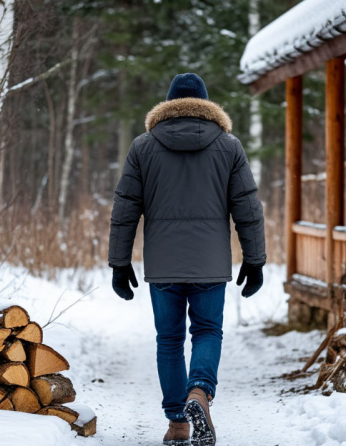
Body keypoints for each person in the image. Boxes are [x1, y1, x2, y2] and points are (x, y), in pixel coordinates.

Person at [108, 73, 266, 446]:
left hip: (162, 264)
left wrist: (119, 262)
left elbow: (124, 209)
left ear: (166, 106)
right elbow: (248, 208)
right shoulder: (229, 146)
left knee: (169, 340)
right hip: (210, 263)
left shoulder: (143, 147)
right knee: (207, 331)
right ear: (208, 106)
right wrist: (255, 259)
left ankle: (178, 423)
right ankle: (200, 391)